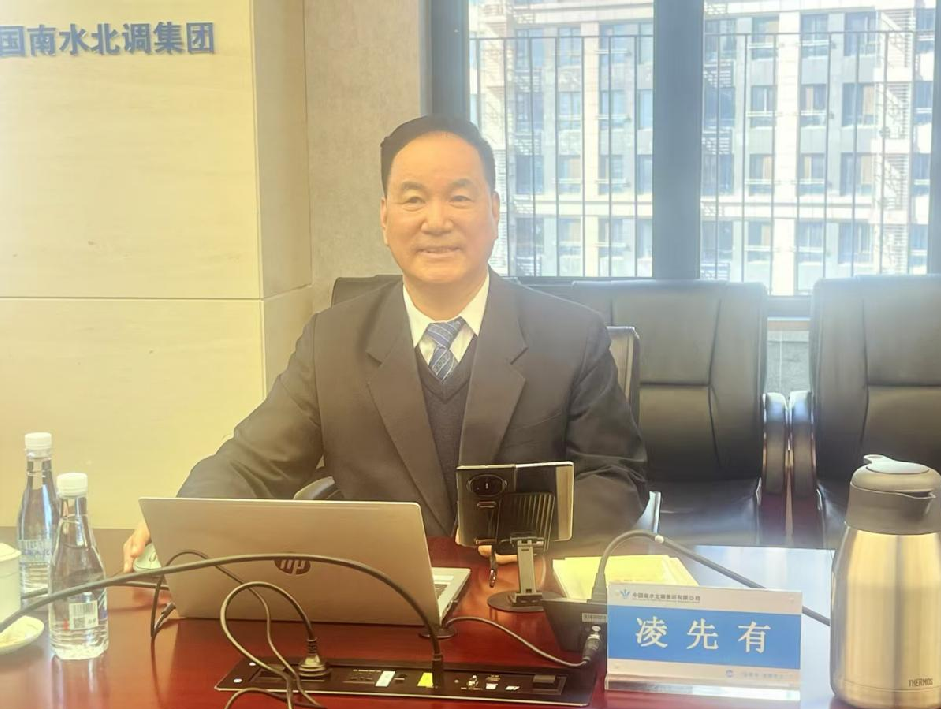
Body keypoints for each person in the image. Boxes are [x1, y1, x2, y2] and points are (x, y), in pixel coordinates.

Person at [123, 115, 647, 572]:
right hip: (379, 600)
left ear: (493, 210)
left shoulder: (570, 335)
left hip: (517, 597)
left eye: (459, 197)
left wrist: (528, 523)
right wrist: (184, 518)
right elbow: (251, 466)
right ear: (384, 217)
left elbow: (616, 479)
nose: (436, 221)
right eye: (413, 199)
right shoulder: (332, 342)